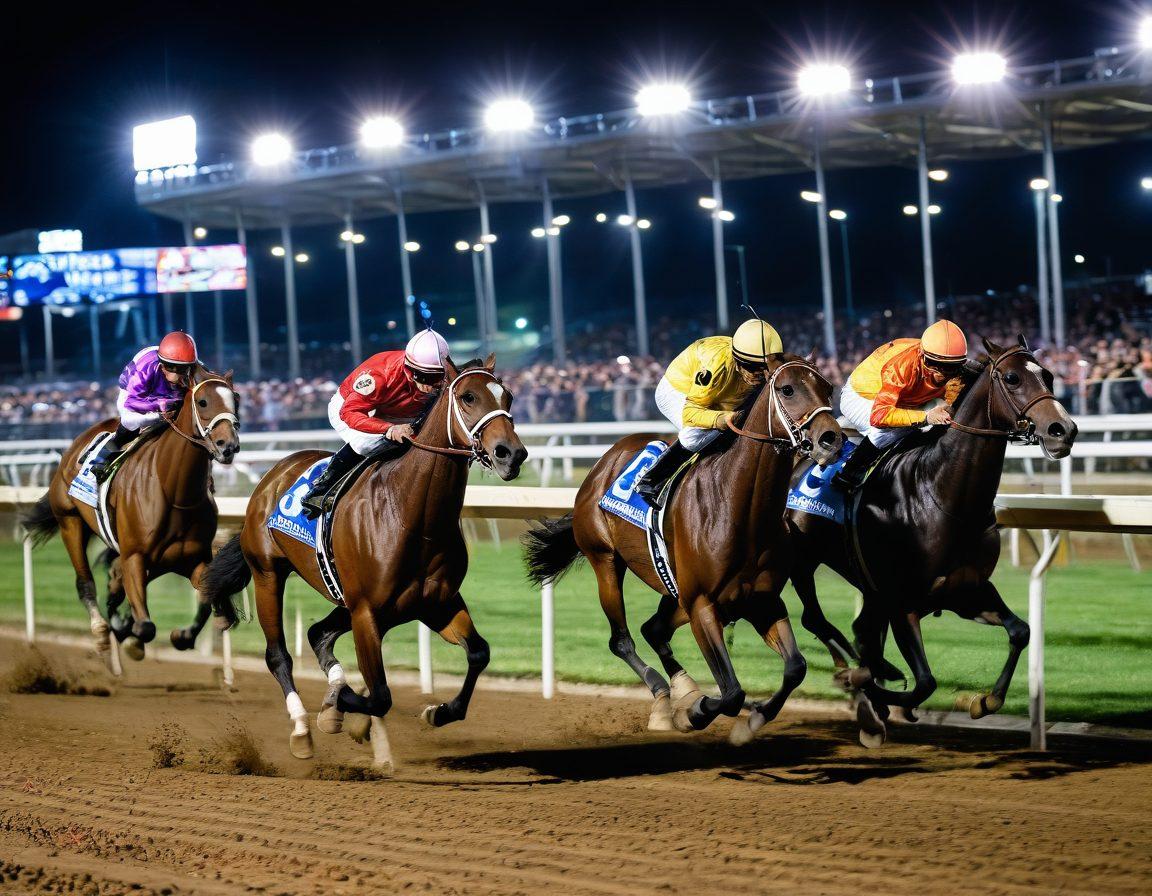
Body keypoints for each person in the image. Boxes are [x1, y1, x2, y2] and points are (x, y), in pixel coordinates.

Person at [299, 328, 449, 518]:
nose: (432, 385)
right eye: (425, 377)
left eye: (437, 377)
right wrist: (388, 429)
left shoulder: (439, 375)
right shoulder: (379, 376)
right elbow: (350, 412)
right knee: (367, 444)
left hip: (396, 412)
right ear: (409, 368)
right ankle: (321, 490)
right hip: (355, 409)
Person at [635, 318, 783, 509]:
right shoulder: (716, 367)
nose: (759, 375)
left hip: (719, 396)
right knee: (696, 435)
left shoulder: (762, 361)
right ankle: (651, 480)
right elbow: (691, 413)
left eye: (764, 368)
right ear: (738, 361)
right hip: (679, 390)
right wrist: (720, 419)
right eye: (753, 368)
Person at [831, 319, 968, 492]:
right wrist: (926, 417)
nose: (942, 373)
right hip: (863, 395)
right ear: (922, 355)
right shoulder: (902, 366)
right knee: (888, 430)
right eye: (935, 364)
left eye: (951, 367)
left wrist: (950, 407)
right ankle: (849, 473)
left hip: (905, 399)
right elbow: (880, 416)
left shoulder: (956, 369)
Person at [89, 332, 199, 482]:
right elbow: (131, 402)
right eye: (177, 370)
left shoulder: (192, 368)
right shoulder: (145, 367)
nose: (183, 377)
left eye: (186, 369)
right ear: (162, 366)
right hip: (134, 394)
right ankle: (101, 458)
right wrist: (160, 408)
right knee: (130, 421)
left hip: (167, 397)